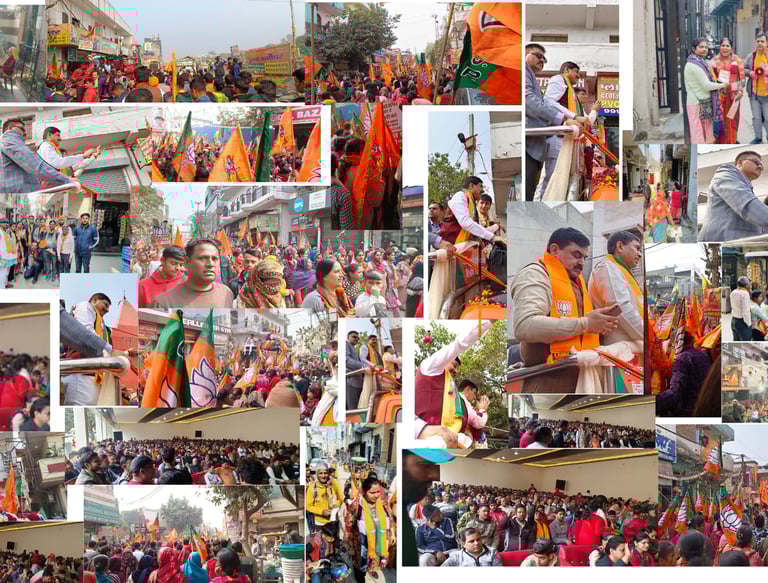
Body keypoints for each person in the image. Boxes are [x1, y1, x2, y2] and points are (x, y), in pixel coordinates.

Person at [509, 227, 619, 393]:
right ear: (554, 250)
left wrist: (599, 325)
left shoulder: (578, 282)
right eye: (576, 255)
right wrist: (586, 324)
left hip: (585, 376)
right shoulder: (536, 273)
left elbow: (578, 327)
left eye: (584, 257)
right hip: (548, 378)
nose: (582, 262)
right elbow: (524, 325)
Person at [414, 321, 493, 448]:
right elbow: (459, 344)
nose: (455, 371)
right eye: (454, 365)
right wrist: (489, 322)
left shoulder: (451, 389)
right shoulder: (429, 367)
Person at [524, 44, 585, 200]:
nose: (542, 60)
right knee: (552, 179)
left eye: (545, 59)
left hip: (548, 141)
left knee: (558, 178)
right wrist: (569, 118)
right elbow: (548, 102)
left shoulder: (568, 89)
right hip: (549, 137)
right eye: (538, 55)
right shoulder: (558, 79)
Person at [699, 150, 768, 241]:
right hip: (721, 243)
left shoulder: (748, 191)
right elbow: (746, 204)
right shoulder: (726, 172)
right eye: (756, 162)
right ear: (740, 163)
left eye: (762, 167)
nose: (760, 166)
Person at [0, 117, 80, 193]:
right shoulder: (8, 137)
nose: (25, 134)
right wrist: (65, 180)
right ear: (9, 129)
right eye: (22, 129)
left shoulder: (8, 146)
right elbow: (33, 163)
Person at [152, 239, 234, 308]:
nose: (210, 264)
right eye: (203, 258)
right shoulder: (163, 303)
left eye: (214, 259)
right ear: (187, 262)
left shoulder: (227, 293)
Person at [63, 293, 112, 406]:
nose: (107, 310)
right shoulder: (86, 306)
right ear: (94, 301)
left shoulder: (100, 322)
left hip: (91, 374)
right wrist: (110, 350)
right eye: (105, 304)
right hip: (82, 373)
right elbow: (85, 332)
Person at [685, 37, 728, 144]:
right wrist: (723, 85)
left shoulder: (700, 62)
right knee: (698, 132)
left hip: (703, 102)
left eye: (706, 47)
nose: (704, 49)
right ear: (694, 49)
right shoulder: (693, 65)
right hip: (696, 103)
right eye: (701, 47)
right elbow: (706, 85)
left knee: (707, 132)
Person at [711, 38, 745, 144]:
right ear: (720, 47)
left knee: (734, 119)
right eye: (723, 45)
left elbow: (742, 78)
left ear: (731, 48)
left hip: (735, 96)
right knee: (721, 120)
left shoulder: (737, 60)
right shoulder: (715, 61)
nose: (725, 48)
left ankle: (732, 140)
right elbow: (712, 78)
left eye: (727, 46)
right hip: (720, 96)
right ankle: (721, 142)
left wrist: (740, 91)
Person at [746, 31, 768, 144]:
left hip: (766, 95)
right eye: (758, 41)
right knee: (756, 118)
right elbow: (743, 69)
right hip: (754, 94)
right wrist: (750, 73)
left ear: (767, 43)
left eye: (762, 41)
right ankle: (758, 137)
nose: (760, 43)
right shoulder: (751, 56)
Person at [730, 276, 753, 341]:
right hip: (742, 322)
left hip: (734, 320)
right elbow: (746, 311)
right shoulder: (745, 294)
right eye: (749, 284)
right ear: (746, 285)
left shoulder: (733, 292)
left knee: (736, 341)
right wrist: (749, 324)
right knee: (745, 343)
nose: (750, 285)